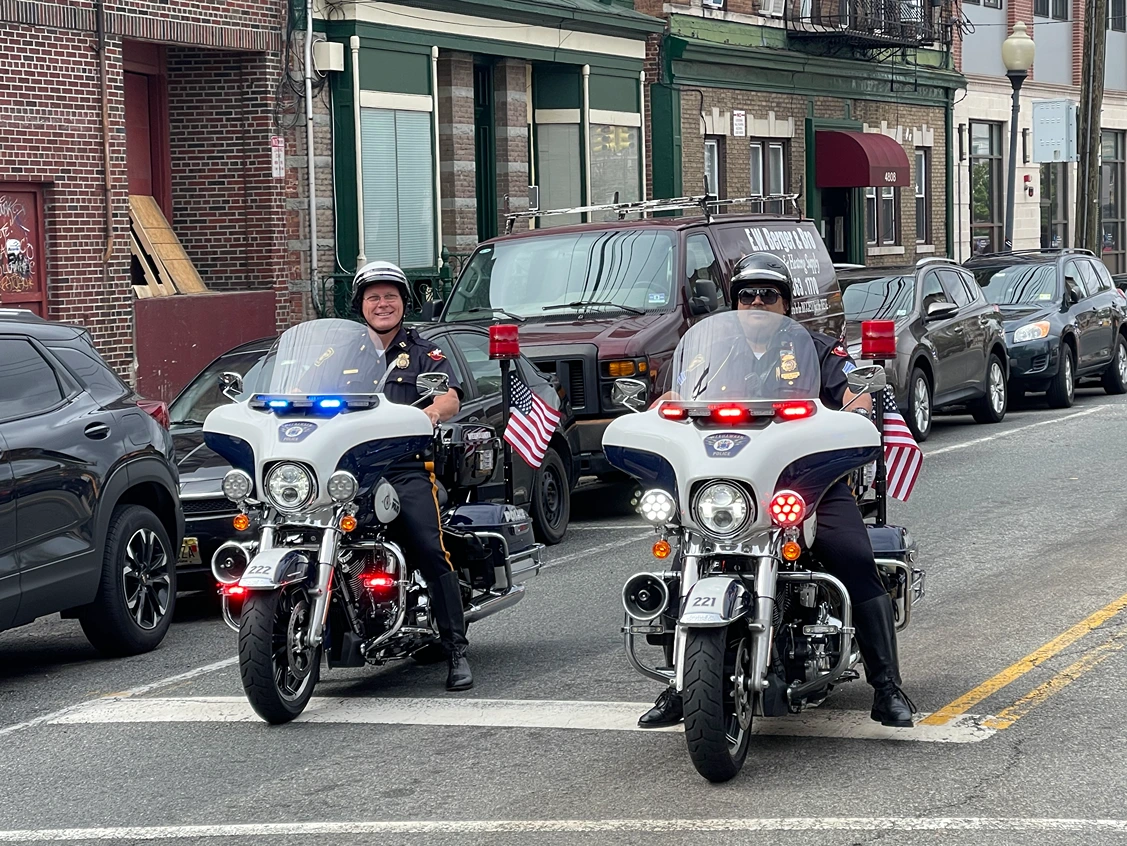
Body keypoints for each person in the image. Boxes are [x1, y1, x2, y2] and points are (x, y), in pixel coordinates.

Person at [638, 252, 917, 730]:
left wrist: (856, 408)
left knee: (850, 555)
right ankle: (683, 684)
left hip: (807, 486)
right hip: (729, 486)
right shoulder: (709, 355)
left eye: (769, 294)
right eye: (747, 295)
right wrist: (655, 412)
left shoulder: (819, 351)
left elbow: (855, 396)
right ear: (734, 303)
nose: (757, 303)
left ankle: (886, 685)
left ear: (786, 304)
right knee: (683, 556)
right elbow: (671, 399)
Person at [348, 260, 473, 692]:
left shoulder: (423, 352)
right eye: (373, 297)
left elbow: (449, 398)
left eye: (390, 297)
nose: (382, 305)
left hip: (404, 468)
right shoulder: (341, 355)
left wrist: (430, 413)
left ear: (404, 302)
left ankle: (456, 648)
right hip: (350, 471)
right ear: (360, 305)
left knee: (426, 545)